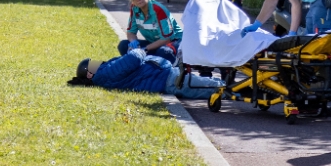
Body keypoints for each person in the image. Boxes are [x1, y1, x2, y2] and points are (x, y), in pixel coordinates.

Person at [69, 45, 222, 99]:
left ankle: (235, 87)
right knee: (210, 88)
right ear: (90, 74)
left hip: (164, 75)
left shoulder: (103, 74)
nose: (96, 62)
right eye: (92, 64)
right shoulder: (105, 73)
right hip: (165, 78)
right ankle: (237, 89)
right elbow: (134, 58)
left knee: (206, 84)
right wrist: (139, 50)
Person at [118, 0, 183, 64]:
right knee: (123, 45)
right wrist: (134, 42)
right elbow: (131, 32)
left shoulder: (158, 9)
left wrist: (145, 49)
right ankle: (140, 69)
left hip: (174, 42)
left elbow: (166, 39)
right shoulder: (134, 8)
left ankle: (176, 65)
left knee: (163, 52)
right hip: (153, 44)